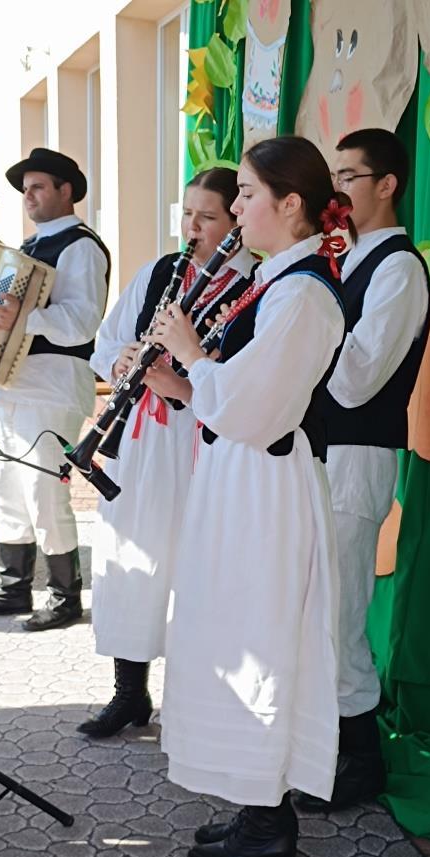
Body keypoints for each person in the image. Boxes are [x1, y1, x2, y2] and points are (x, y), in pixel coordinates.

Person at [152, 135, 352, 857]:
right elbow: (236, 396)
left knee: (260, 638)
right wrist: (181, 385)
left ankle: (269, 822)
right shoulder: (279, 281)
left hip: (265, 489)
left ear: (289, 203)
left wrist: (193, 357)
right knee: (235, 627)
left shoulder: (303, 295)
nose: (234, 209)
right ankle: (255, 804)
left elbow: (258, 410)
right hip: (242, 480)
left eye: (245, 194)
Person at [78, 167, 257, 739]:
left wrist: (181, 379)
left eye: (207, 217)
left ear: (236, 221)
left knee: (194, 569)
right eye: (187, 214)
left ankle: (195, 701)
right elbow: (105, 342)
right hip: (139, 439)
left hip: (200, 441)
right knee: (130, 561)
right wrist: (122, 361)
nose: (192, 228)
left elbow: (245, 380)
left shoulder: (254, 283)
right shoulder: (160, 272)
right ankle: (129, 692)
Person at [297, 128, 430, 815]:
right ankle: (324, 746)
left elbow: (355, 382)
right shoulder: (344, 260)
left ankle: (362, 760)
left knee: (341, 615)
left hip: (357, 456)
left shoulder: (398, 269)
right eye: (335, 176)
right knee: (314, 609)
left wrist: (304, 325)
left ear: (387, 184)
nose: (338, 189)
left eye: (350, 176)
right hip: (319, 452)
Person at [0, 148, 110, 630]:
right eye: (25, 189)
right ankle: (12, 588)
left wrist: (21, 318)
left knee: (43, 488)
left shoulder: (81, 246)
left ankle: (64, 597)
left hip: (53, 383)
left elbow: (82, 321)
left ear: (67, 190)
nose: (28, 195)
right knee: (5, 485)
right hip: (11, 383)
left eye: (38, 186)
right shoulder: (28, 246)